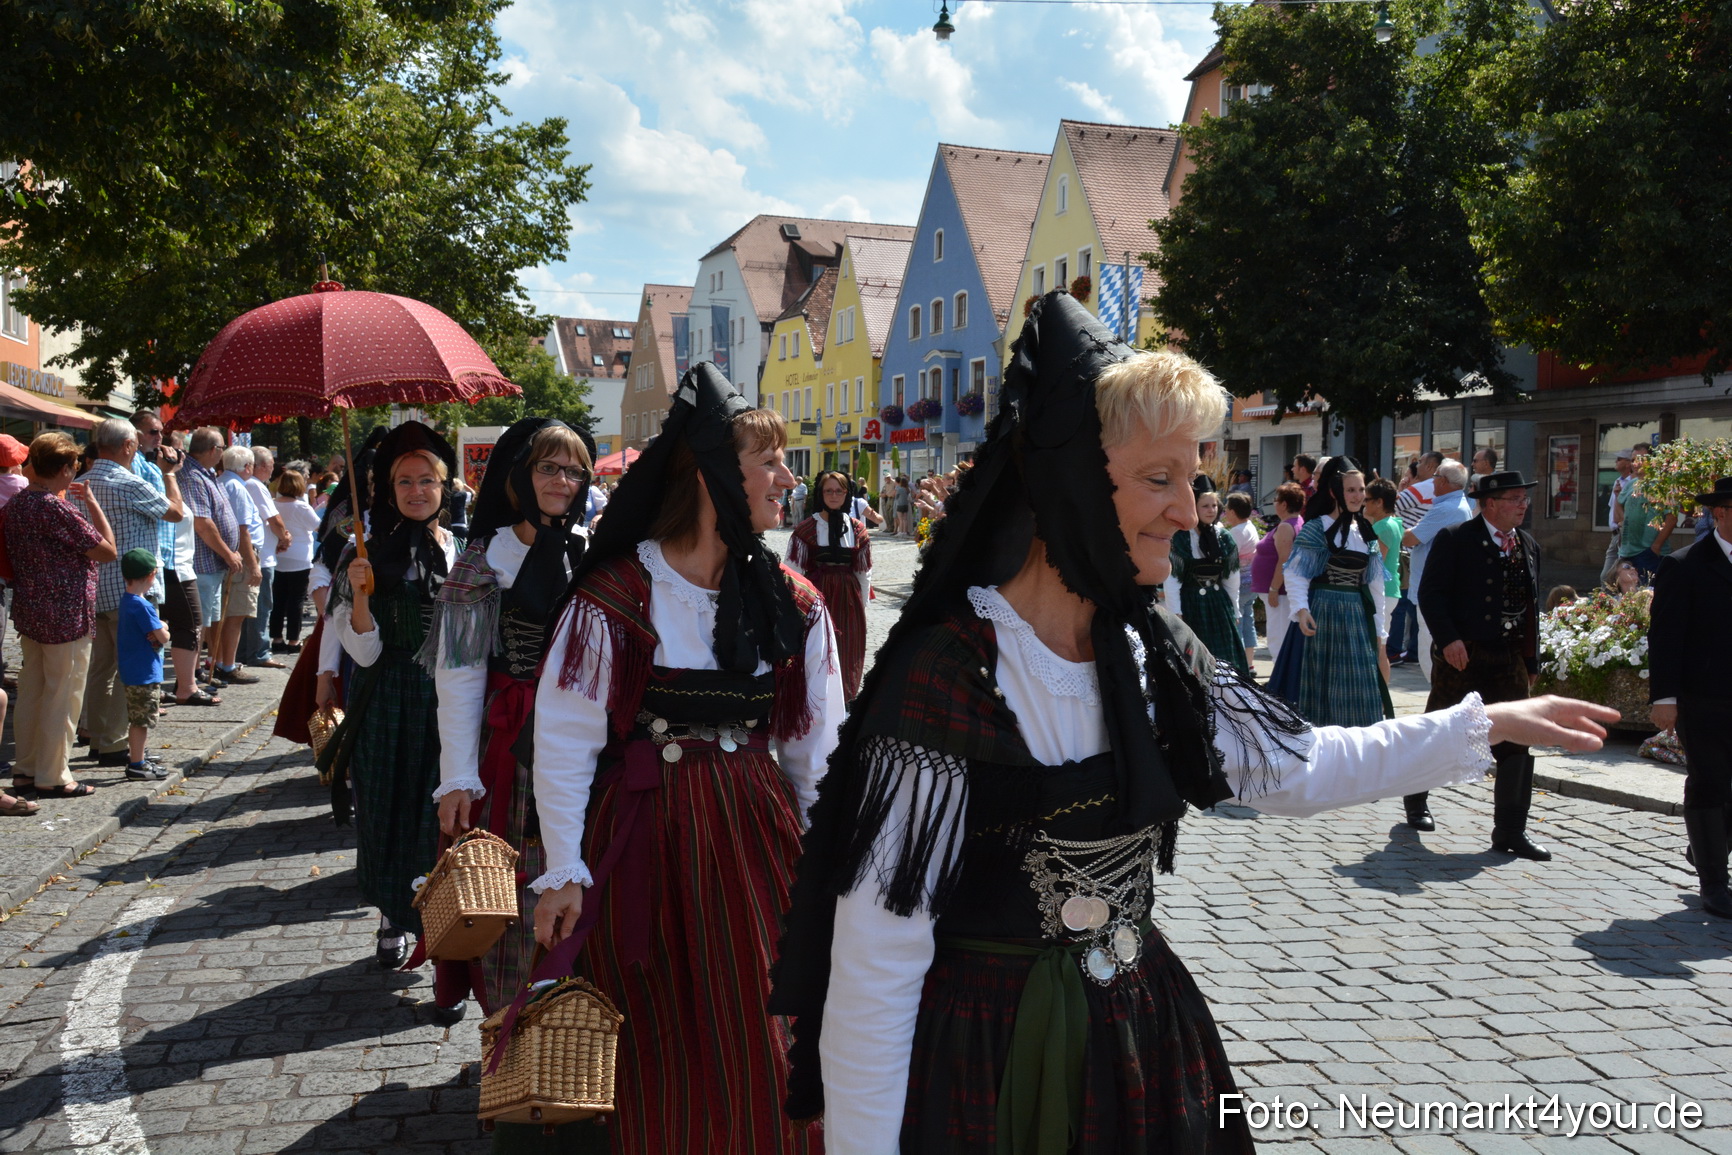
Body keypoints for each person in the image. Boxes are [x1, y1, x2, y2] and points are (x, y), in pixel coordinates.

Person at [769, 294, 1619, 1153]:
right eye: (1159, 478)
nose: (1188, 509)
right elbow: (878, 958)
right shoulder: (954, 671)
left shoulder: (1151, 650)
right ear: (1065, 478)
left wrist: (1488, 722)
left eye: (1193, 478)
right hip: (993, 1064)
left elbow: (1300, 764)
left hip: (1143, 1037)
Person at [530, 365, 843, 1154]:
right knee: (657, 1042)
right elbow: (565, 738)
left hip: (759, 842)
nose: (787, 479)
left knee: (770, 1038)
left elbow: (817, 752)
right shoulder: (618, 593)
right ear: (712, 475)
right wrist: (563, 867)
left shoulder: (794, 603)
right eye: (769, 461)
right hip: (648, 838)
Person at [424, 418, 590, 1070]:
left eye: (573, 470)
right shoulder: (483, 560)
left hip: (586, 757)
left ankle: (576, 1050)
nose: (562, 481)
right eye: (549, 467)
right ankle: (511, 1054)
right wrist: (458, 775)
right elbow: (458, 677)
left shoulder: (593, 551)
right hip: (509, 756)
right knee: (509, 900)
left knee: (582, 897)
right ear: (521, 477)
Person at [317, 422, 458, 970]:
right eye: (405, 481)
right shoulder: (365, 554)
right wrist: (359, 595)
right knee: (385, 810)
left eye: (427, 480)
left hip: (449, 700)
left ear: (444, 486)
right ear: (389, 489)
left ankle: (442, 922)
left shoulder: (462, 551)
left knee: (438, 813)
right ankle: (390, 917)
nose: (416, 491)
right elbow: (366, 651)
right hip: (387, 698)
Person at [1407, 471, 1548, 857]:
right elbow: (1431, 594)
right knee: (1440, 731)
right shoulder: (1456, 538)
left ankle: (1510, 831)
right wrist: (1449, 639)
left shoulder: (1528, 545)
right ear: (1489, 503)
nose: (1523, 505)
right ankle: (1415, 798)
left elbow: (1531, 606)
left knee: (1518, 740)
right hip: (1463, 656)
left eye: (1524, 499)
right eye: (1515, 499)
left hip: (1508, 657)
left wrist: (1531, 659)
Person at [6, 433, 117, 799]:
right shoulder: (56, 507)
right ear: (65, 468)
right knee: (63, 696)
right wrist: (94, 505)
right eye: (74, 466)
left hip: (31, 609)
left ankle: (27, 768)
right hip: (66, 613)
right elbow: (107, 550)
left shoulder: (19, 503)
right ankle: (53, 774)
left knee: (33, 692)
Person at [72, 418, 184, 766]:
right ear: (127, 446)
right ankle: (116, 744)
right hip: (131, 590)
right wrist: (169, 475)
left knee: (100, 669)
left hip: (94, 587)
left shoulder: (80, 482)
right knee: (130, 669)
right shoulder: (130, 482)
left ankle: (96, 737)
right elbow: (176, 513)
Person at [1650, 477, 1732, 918]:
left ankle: (1706, 846)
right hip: (1704, 696)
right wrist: (1664, 696)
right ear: (1719, 513)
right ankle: (1714, 883)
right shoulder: (1684, 565)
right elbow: (1665, 636)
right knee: (1711, 782)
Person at [1273, 456, 1392, 726]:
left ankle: (1357, 742)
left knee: (1357, 682)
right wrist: (1301, 609)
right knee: (1322, 682)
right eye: (1351, 490)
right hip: (1323, 612)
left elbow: (1375, 585)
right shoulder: (1317, 528)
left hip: (1356, 617)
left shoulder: (1366, 533)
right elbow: (1296, 573)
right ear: (1335, 492)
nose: (1358, 496)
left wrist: (1379, 630)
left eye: (1361, 489)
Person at [788, 469, 874, 699]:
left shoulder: (857, 529)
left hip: (849, 598)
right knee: (818, 648)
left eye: (839, 491)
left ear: (847, 494)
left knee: (848, 647)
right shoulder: (806, 529)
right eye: (829, 491)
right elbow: (793, 571)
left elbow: (863, 573)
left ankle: (844, 698)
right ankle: (817, 698)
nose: (834, 495)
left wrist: (862, 605)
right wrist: (795, 607)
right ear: (821, 494)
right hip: (818, 595)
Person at [1402, 459, 1474, 681]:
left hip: (1432, 590)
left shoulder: (1446, 508)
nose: (1432, 481)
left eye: (1435, 477)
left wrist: (1398, 527)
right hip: (1440, 589)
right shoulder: (1456, 504)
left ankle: (1439, 695)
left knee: (1429, 652)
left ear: (1442, 481)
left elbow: (1410, 538)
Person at [1163, 488, 1248, 674]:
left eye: (1214, 505)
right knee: (1195, 659)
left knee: (1224, 659)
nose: (1211, 510)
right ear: (1193, 507)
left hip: (1218, 604)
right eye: (1205, 506)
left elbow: (1231, 579)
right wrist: (1176, 613)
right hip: (1191, 605)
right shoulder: (1181, 538)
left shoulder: (1223, 537)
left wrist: (1234, 610)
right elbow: (1173, 581)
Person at [116, 548, 171, 782]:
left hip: (133, 669)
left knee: (139, 719)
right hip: (144, 672)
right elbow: (163, 637)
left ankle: (139, 757)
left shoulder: (127, 601)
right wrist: (164, 627)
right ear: (152, 575)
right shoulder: (143, 605)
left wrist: (159, 627)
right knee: (142, 721)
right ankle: (137, 764)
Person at [212, 445, 265, 685]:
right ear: (247, 466)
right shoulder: (237, 487)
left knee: (224, 615)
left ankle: (218, 661)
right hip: (241, 555)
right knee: (236, 615)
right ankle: (228, 665)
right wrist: (253, 566)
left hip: (229, 554)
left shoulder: (221, 481)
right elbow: (243, 530)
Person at [1250, 482, 1304, 667]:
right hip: (1282, 590)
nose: (1274, 503)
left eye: (1276, 499)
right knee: (1280, 633)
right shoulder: (1296, 522)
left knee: (1278, 635)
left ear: (1284, 504)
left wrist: (1274, 588)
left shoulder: (1286, 527)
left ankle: (1279, 675)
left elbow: (1284, 559)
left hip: (1280, 592)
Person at [271, 470, 322, 653]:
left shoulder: (273, 504)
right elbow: (318, 527)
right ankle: (293, 640)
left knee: (278, 600)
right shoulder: (302, 507)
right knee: (296, 600)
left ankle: (276, 638)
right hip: (300, 558)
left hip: (278, 556)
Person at [1618, 448, 1677, 584]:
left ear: (1653, 461)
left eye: (1641, 459)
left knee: (1648, 593)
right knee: (1628, 593)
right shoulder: (1631, 484)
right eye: (1633, 460)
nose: (1635, 463)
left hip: (1649, 554)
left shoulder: (1663, 485)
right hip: (1626, 552)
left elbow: (1672, 519)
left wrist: (1656, 547)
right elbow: (1619, 502)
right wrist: (1623, 520)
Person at [1365, 478, 1405, 663]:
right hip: (1389, 590)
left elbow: (1374, 563)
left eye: (1367, 499)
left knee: (1376, 648)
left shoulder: (1383, 526)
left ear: (1379, 502)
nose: (1364, 502)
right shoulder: (1393, 522)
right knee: (1379, 646)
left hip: (1382, 591)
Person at [1221, 491, 1262, 670]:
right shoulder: (1250, 526)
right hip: (1252, 581)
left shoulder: (1235, 532)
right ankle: (1250, 663)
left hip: (1238, 584)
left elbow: (1227, 557)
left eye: (1226, 509)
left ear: (1232, 511)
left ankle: (1240, 664)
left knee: (1237, 622)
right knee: (1248, 622)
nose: (1225, 512)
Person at [1600, 447, 1638, 587]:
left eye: (1619, 459)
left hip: (1625, 533)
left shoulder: (1633, 482)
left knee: (1614, 575)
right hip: (1616, 534)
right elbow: (1613, 508)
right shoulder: (1618, 481)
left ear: (1628, 463)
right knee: (1607, 576)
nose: (1615, 461)